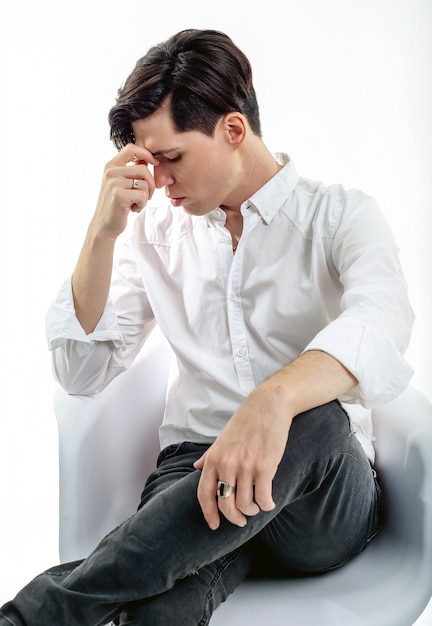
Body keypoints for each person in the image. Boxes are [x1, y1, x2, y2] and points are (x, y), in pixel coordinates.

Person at [0, 28, 414, 626]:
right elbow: (81, 372)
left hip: (318, 491)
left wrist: (271, 402)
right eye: (148, 160)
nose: (158, 181)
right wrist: (102, 232)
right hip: (195, 476)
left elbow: (382, 320)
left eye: (172, 157)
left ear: (233, 129)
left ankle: (38, 616)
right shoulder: (152, 234)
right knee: (157, 614)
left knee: (316, 417)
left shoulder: (340, 216)